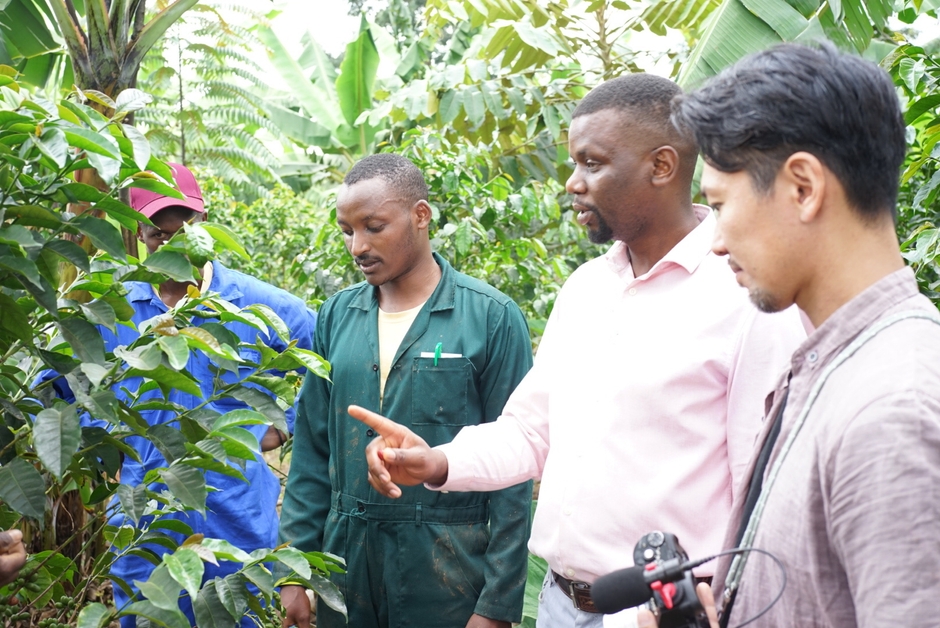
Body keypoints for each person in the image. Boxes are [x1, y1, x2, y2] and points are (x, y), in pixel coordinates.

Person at [350, 73, 806, 627]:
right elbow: (531, 430)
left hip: (670, 612)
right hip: (562, 605)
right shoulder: (588, 288)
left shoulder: (744, 296)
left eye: (592, 163)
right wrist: (439, 461)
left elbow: (764, 489)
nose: (572, 182)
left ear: (661, 167)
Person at [665, 42, 940, 627]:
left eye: (718, 204)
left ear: (803, 188)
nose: (715, 242)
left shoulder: (894, 412)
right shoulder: (834, 361)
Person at [44, 163, 317, 626]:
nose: (174, 244)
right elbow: (57, 388)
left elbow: (326, 358)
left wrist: (281, 422)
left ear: (203, 221)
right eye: (157, 235)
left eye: (185, 228)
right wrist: (106, 440)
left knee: (238, 614)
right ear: (139, 235)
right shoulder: (112, 309)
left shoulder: (257, 302)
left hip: (237, 513)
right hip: (144, 518)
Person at [277, 154, 534, 628]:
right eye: (347, 231)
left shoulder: (490, 318)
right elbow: (312, 450)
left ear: (420, 216)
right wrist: (294, 569)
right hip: (346, 566)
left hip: (448, 571)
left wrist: (496, 605)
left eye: (374, 227)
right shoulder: (336, 316)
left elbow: (517, 471)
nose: (358, 246)